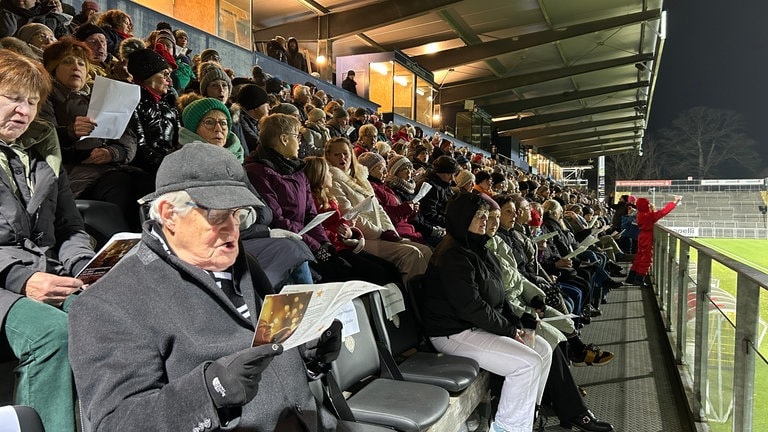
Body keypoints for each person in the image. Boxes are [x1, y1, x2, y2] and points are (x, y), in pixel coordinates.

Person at [68, 142, 351, 431]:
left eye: (237, 214)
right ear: (168, 214)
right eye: (217, 215)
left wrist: (309, 357)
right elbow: (118, 422)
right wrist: (210, 391)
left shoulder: (245, 263)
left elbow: (265, 362)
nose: (233, 229)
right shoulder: (109, 303)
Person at [419, 193, 613, 432]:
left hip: (474, 326)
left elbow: (498, 295)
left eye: (484, 215)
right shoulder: (453, 254)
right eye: (477, 215)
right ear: (461, 218)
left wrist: (518, 319)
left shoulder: (480, 247)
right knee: (527, 363)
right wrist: (510, 330)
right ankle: (507, 428)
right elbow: (471, 307)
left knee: (542, 348)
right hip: (453, 333)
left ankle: (529, 417)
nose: (484, 220)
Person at [0, 48, 94, 432]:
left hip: (42, 274)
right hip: (7, 283)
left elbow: (70, 228)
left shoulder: (42, 157)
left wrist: (86, 265)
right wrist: (21, 279)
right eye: (12, 98)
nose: (23, 110)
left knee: (104, 315)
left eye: (32, 101)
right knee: (52, 333)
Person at [324, 138, 432, 283]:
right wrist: (379, 232)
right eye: (337, 155)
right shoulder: (333, 181)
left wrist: (390, 231)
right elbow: (349, 214)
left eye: (345, 153)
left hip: (380, 234)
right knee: (411, 254)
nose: (342, 158)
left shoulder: (360, 178)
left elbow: (379, 209)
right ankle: (412, 299)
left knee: (426, 251)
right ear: (329, 157)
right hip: (362, 238)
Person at [126, 47, 180, 175]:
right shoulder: (132, 103)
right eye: (165, 74)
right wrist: (169, 166)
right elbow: (139, 148)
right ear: (148, 76)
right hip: (143, 172)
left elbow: (178, 142)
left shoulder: (170, 107)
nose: (170, 80)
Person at [626, 196, 682, 286]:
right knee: (646, 258)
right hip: (647, 237)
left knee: (639, 257)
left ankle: (631, 277)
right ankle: (639, 279)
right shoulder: (648, 216)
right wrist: (674, 202)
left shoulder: (640, 214)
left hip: (641, 236)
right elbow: (663, 212)